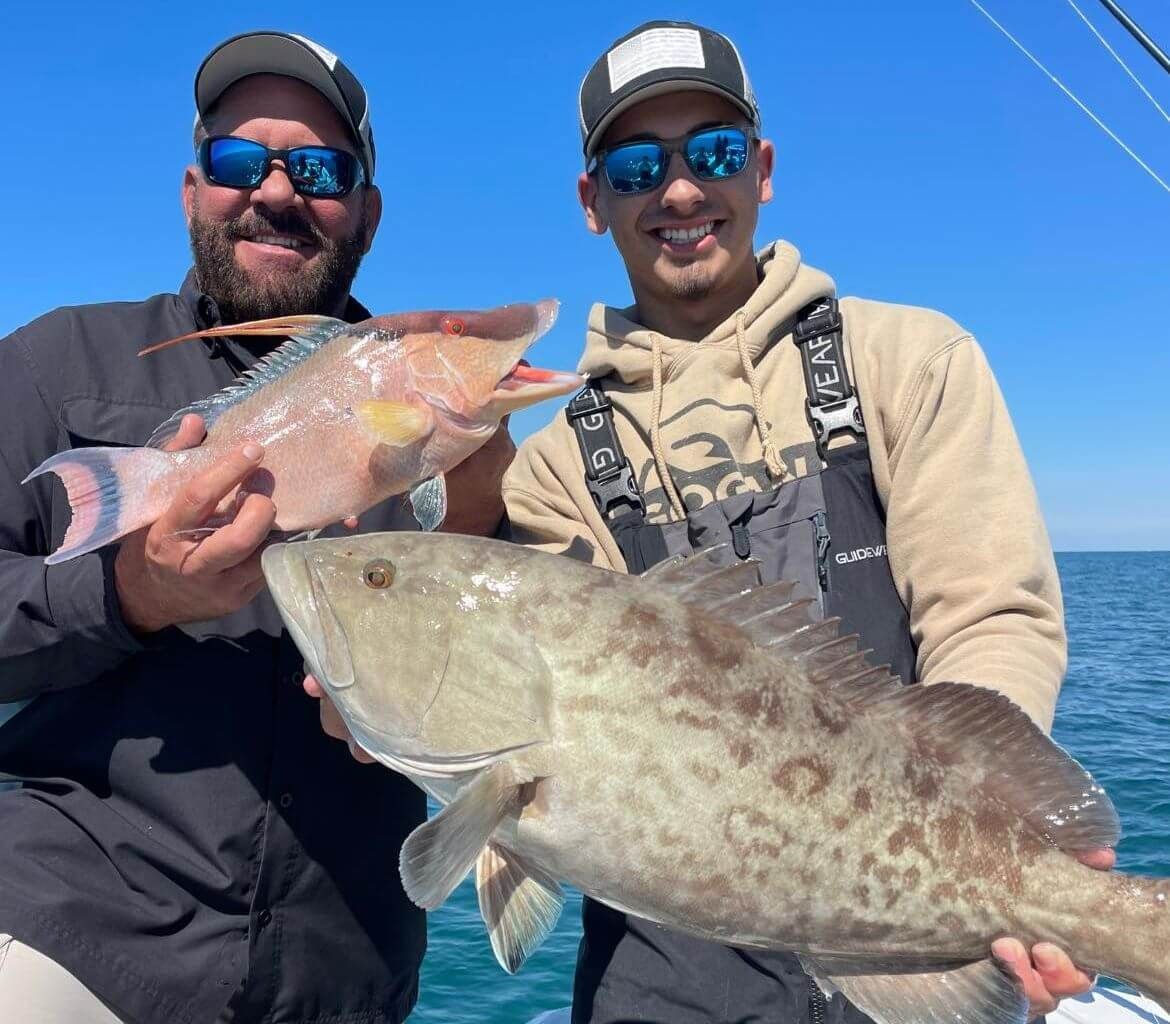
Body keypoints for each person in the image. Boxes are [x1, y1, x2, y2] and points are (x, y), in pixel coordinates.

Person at [308, 17, 1112, 1024]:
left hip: (905, 929)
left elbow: (991, 615)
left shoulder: (910, 360)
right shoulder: (559, 463)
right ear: (593, 201)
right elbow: (540, 717)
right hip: (666, 978)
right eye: (638, 165)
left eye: (714, 153)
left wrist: (997, 851)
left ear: (763, 170)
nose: (679, 189)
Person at [0, 30, 511, 1024]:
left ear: (365, 211)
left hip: (343, 975)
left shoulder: (441, 419)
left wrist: (423, 689)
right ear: (195, 187)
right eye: (241, 161)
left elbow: (496, 709)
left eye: (320, 169)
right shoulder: (54, 362)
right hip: (70, 933)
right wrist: (127, 594)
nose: (276, 192)